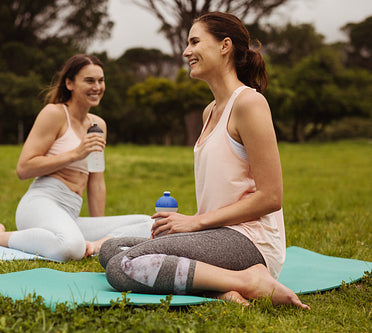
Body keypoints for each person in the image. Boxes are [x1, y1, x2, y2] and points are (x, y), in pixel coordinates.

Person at [98, 13, 310, 309]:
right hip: (216, 235)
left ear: (225, 46)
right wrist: (195, 226)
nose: (186, 52)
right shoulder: (210, 110)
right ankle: (219, 289)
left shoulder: (249, 103)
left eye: (194, 42)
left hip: (250, 240)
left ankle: (250, 281)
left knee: (123, 266)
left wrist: (197, 222)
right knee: (110, 249)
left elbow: (271, 197)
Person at [0, 54, 153, 261]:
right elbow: (24, 168)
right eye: (89, 80)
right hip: (40, 204)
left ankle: (96, 246)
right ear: (69, 83)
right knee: (69, 247)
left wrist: (99, 230)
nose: (97, 87)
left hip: (70, 214)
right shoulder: (54, 113)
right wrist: (75, 154)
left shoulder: (98, 125)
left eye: (101, 80)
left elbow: (96, 181)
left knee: (150, 224)